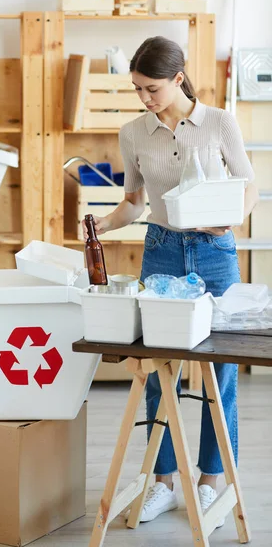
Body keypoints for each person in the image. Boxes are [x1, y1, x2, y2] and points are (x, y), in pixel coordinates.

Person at [82, 36, 259, 525]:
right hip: (160, 251)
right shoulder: (134, 132)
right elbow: (135, 203)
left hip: (215, 253)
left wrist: (231, 221)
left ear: (178, 78)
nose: (145, 98)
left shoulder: (220, 122)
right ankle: (160, 482)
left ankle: (210, 482)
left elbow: (249, 184)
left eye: (152, 88)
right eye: (137, 89)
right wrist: (100, 223)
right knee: (158, 372)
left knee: (219, 373)